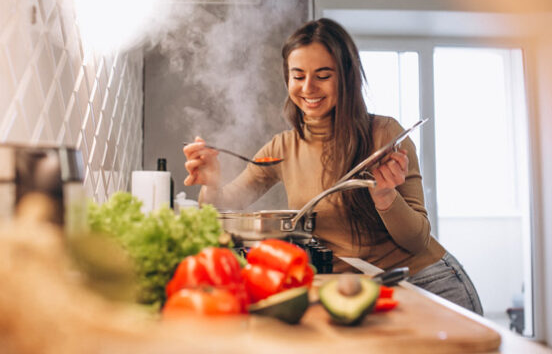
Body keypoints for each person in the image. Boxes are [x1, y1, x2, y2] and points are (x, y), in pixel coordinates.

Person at [182, 18, 483, 315]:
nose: (308, 88)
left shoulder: (385, 135)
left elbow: (417, 240)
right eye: (298, 76)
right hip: (354, 290)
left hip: (424, 281)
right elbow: (222, 208)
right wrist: (211, 183)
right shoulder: (282, 148)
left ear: (346, 77)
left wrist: (386, 197)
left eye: (323, 75)